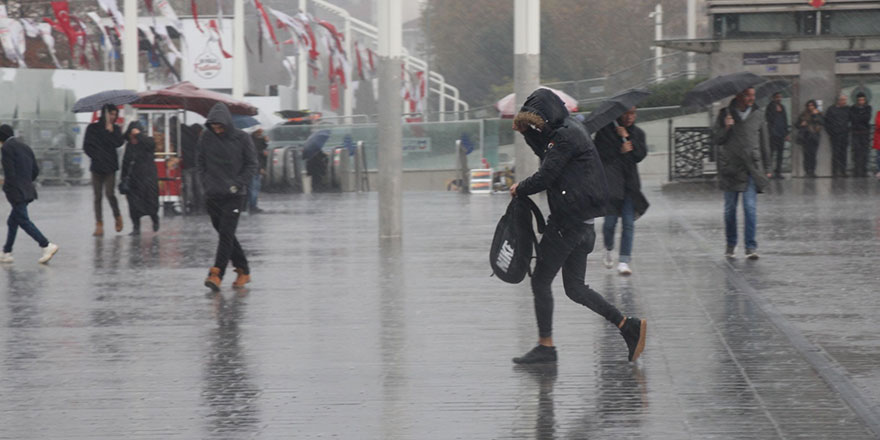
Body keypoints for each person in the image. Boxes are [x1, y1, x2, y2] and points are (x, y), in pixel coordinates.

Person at [508, 88, 646, 365]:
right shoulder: (570, 129)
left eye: (539, 120)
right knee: (575, 288)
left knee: (540, 280)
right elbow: (550, 153)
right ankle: (627, 326)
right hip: (583, 223)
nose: (540, 125)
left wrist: (519, 189)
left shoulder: (565, 135)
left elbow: (547, 173)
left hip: (568, 223)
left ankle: (546, 346)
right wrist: (527, 133)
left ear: (548, 113)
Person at [197, 103, 258, 291]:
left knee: (226, 234)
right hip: (213, 193)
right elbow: (200, 162)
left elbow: (252, 164)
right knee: (226, 233)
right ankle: (243, 269)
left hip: (234, 194)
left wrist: (238, 183)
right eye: (214, 126)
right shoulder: (206, 138)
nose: (217, 129)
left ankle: (217, 273)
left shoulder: (242, 138)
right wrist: (205, 182)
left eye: (220, 126)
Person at [714, 87, 770, 260]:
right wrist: (726, 127)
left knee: (750, 208)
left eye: (753, 95)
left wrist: (767, 167)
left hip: (751, 167)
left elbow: (764, 141)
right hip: (731, 167)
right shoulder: (725, 113)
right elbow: (717, 139)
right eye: (748, 95)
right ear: (738, 96)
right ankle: (731, 244)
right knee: (730, 209)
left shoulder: (758, 114)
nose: (751, 98)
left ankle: (750, 246)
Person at [594, 106, 649, 276]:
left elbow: (639, 155)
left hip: (630, 185)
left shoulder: (637, 133)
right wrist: (619, 149)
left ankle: (624, 261)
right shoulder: (605, 132)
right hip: (611, 185)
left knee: (628, 223)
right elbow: (599, 155)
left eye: (633, 113)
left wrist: (627, 138)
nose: (630, 117)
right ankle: (609, 248)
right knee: (610, 223)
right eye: (627, 113)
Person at [0, 125, 58, 264]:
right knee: (13, 220)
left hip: (16, 191)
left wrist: (7, 187)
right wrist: (26, 182)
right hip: (27, 189)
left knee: (23, 221)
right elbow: (35, 170)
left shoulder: (6, 148)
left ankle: (46, 245)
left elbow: (10, 173)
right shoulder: (25, 146)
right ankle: (7, 252)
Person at [83, 104, 125, 236]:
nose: (113, 117)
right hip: (96, 166)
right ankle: (99, 224)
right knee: (97, 196)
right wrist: (96, 156)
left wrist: (111, 131)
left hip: (110, 167)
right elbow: (87, 146)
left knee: (109, 193)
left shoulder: (115, 128)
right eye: (111, 114)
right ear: (104, 114)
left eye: (115, 114)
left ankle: (117, 216)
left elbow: (119, 143)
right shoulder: (93, 128)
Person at [120, 121, 159, 235]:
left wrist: (139, 135)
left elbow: (151, 145)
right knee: (134, 205)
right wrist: (123, 179)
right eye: (131, 135)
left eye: (135, 135)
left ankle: (155, 220)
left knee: (151, 202)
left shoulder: (147, 142)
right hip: (134, 180)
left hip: (148, 178)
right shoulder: (129, 146)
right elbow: (125, 163)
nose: (133, 137)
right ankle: (136, 227)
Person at [764, 92, 789, 179]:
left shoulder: (782, 107)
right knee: (771, 153)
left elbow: (785, 120)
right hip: (773, 134)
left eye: (780, 97)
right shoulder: (770, 107)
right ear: (773, 98)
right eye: (777, 97)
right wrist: (775, 110)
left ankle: (778, 171)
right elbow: (768, 118)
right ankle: (769, 172)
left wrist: (786, 133)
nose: (779, 99)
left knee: (780, 154)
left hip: (781, 133)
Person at [181, 123, 205, 215]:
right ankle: (200, 206)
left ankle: (192, 205)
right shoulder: (198, 140)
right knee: (198, 187)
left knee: (189, 187)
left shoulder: (183, 137)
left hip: (186, 165)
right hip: (196, 166)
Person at [796, 100, 824, 178]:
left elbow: (822, 122)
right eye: (809, 105)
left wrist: (815, 115)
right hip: (805, 137)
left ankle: (812, 171)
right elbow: (797, 125)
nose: (810, 107)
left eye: (812, 105)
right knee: (806, 156)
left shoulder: (818, 114)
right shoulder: (803, 114)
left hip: (814, 137)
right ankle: (807, 171)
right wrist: (801, 124)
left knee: (813, 155)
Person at [825, 95, 850, 177]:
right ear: (838, 100)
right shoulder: (831, 109)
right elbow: (827, 122)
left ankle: (843, 171)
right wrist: (831, 132)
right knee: (835, 153)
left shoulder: (847, 109)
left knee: (843, 153)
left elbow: (851, 119)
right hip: (835, 135)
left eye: (845, 100)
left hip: (844, 134)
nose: (844, 102)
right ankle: (834, 172)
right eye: (842, 100)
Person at [849, 92, 872, 178]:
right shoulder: (852, 108)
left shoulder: (868, 107)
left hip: (865, 133)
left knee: (864, 152)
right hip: (856, 133)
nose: (861, 101)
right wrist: (860, 117)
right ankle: (857, 170)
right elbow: (853, 118)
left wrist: (859, 117)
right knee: (856, 152)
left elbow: (867, 118)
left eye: (862, 100)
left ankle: (864, 170)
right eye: (859, 100)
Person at [247, 128, 268, 214]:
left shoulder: (259, 140)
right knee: (254, 188)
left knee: (255, 188)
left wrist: (265, 142)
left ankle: (252, 205)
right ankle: (252, 206)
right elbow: (256, 154)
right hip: (254, 168)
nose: (261, 131)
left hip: (256, 167)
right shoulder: (251, 140)